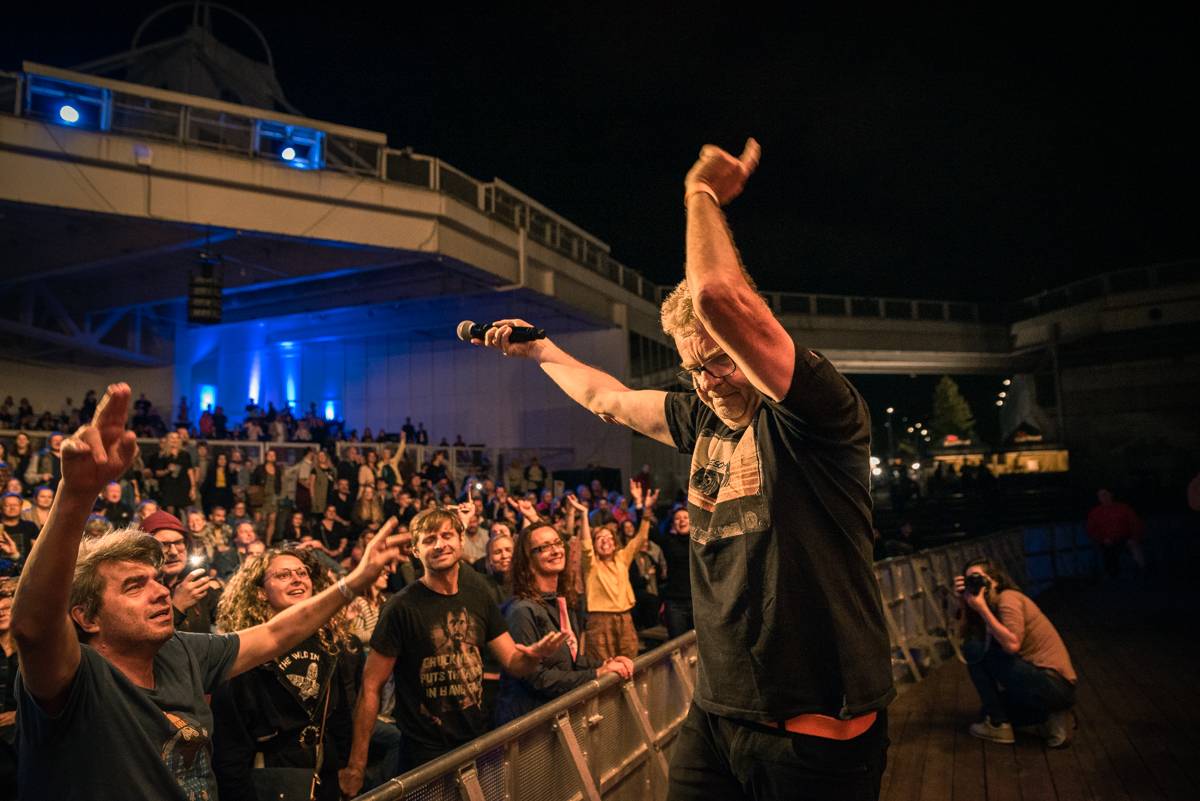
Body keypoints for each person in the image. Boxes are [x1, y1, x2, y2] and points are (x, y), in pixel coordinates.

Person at [468, 138, 893, 800]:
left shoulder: (815, 413)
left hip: (814, 728)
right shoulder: (703, 422)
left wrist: (701, 192)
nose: (705, 379)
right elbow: (608, 399)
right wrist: (543, 349)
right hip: (718, 715)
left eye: (719, 359)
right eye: (691, 366)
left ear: (751, 341)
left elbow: (721, 295)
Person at [8, 383, 407, 800]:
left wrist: (351, 582)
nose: (161, 593)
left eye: (155, 580)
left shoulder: (179, 651)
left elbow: (273, 634)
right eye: (133, 586)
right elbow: (32, 627)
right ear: (87, 617)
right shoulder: (75, 678)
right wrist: (76, 495)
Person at [338, 508, 569, 797]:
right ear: (415, 551)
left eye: (447, 535)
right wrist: (356, 766)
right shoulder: (400, 608)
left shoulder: (479, 595)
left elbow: (512, 661)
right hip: (424, 754)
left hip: (477, 743)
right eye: (429, 539)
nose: (440, 544)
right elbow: (371, 687)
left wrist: (534, 654)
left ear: (461, 540)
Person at [211, 546, 362, 801]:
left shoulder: (330, 643)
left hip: (324, 776)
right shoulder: (246, 651)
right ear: (260, 593)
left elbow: (340, 716)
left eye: (302, 573)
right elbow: (230, 747)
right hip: (271, 781)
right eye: (283, 575)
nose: (297, 579)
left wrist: (346, 765)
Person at [494, 522, 633, 725]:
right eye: (544, 547)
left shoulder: (560, 602)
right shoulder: (521, 610)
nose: (555, 550)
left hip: (556, 717)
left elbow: (572, 660)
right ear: (527, 560)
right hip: (528, 725)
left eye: (557, 543)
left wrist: (607, 663)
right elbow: (536, 678)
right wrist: (596, 673)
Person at [955, 558, 1077, 747]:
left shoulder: (1008, 598)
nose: (975, 584)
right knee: (986, 711)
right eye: (970, 580)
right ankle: (1052, 717)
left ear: (994, 580)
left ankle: (999, 725)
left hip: (1053, 683)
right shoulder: (988, 605)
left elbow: (1012, 645)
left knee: (974, 650)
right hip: (1043, 683)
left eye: (978, 578)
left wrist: (982, 609)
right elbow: (962, 634)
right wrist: (963, 602)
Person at [571, 483, 656, 662]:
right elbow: (585, 544)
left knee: (628, 662)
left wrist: (645, 509)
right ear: (594, 544)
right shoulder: (591, 565)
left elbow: (640, 538)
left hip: (624, 618)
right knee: (604, 666)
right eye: (600, 538)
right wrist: (584, 514)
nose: (606, 541)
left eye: (609, 538)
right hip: (599, 621)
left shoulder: (622, 559)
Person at [140, 510, 221, 634]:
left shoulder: (199, 586)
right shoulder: (136, 593)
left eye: (178, 543)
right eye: (163, 545)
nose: (173, 552)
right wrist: (177, 606)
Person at [1085, 488, 1146, 579]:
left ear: (1111, 495)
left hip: (1125, 538)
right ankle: (1112, 576)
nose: (1103, 497)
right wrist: (1102, 539)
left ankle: (1142, 572)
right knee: (1108, 552)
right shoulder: (1095, 512)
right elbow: (1091, 530)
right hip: (1107, 541)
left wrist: (1134, 538)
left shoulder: (1123, 508)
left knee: (1135, 549)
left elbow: (1135, 523)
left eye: (1105, 494)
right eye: (1100, 496)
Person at [656, 506, 694, 638]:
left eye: (685, 517)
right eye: (677, 518)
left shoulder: (700, 542)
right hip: (675, 603)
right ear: (673, 524)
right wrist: (640, 507)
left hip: (698, 601)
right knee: (677, 646)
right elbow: (652, 533)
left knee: (701, 644)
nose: (681, 520)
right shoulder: (669, 542)